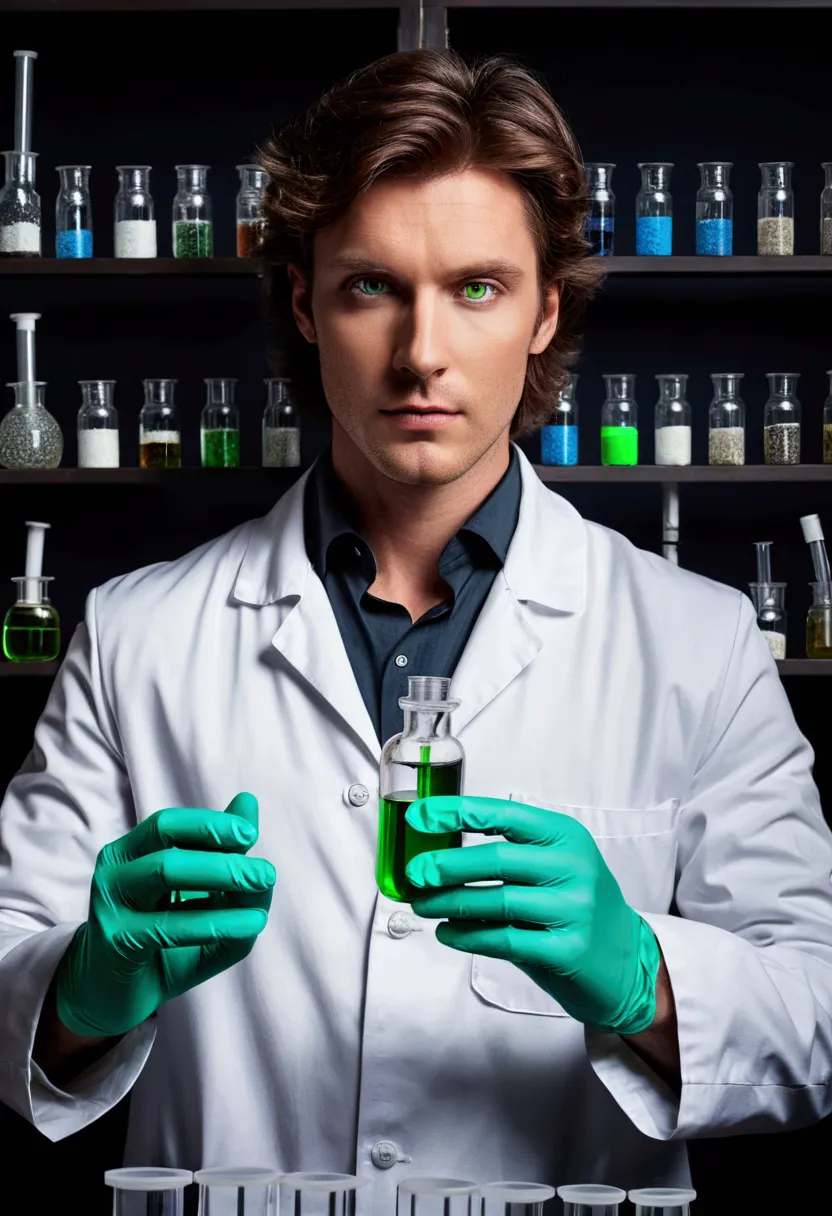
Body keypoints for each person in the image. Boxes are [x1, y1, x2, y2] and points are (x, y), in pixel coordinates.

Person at [0, 47, 831, 1210]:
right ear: (303, 301)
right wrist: (85, 984)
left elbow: (817, 1011)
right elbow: (8, 962)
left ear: (546, 310)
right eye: (371, 286)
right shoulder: (139, 633)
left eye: (476, 288)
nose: (421, 352)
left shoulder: (697, 640)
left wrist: (640, 974)